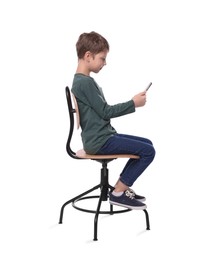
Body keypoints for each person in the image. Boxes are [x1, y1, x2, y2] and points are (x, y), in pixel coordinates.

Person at [71, 31, 156, 210]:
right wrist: (133, 103)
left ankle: (121, 187)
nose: (105, 63)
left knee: (147, 144)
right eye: (102, 58)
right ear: (88, 56)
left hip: (100, 137)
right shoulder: (84, 83)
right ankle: (118, 192)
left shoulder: (83, 81)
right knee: (148, 151)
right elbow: (105, 111)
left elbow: (101, 111)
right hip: (100, 141)